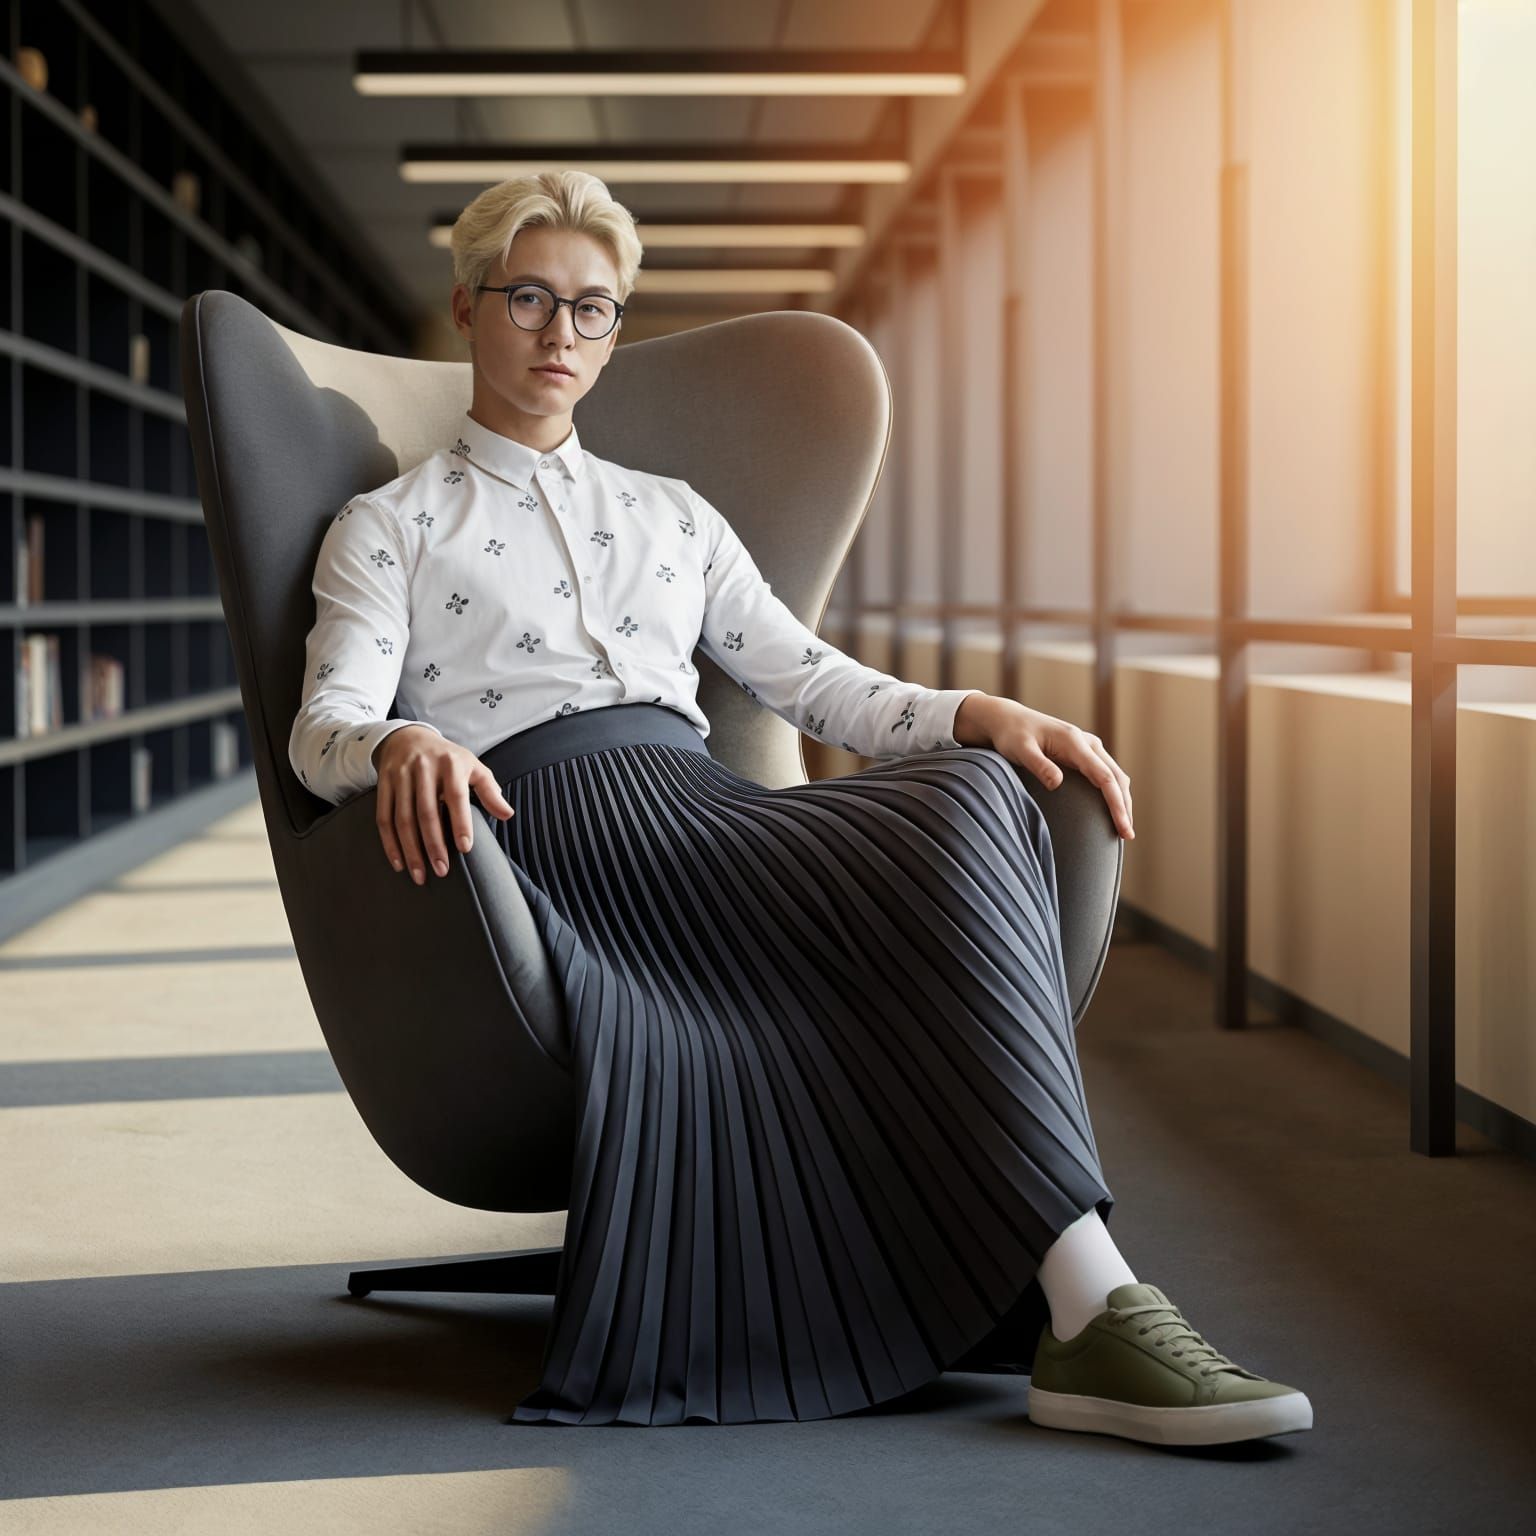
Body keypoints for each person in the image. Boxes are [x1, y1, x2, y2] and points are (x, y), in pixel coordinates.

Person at [290, 170, 1312, 1445]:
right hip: (561, 842)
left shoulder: (672, 515)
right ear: (469, 306)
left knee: (973, 794)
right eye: (531, 299)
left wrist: (980, 712)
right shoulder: (386, 527)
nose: (561, 334)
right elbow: (318, 730)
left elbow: (817, 685)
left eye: (594, 309)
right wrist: (399, 745)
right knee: (921, 848)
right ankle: (1092, 1313)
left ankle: (1092, 1307)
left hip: (708, 807)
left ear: (617, 331)